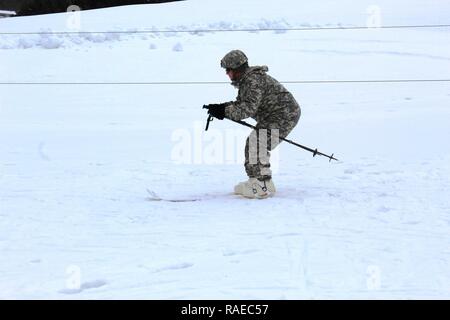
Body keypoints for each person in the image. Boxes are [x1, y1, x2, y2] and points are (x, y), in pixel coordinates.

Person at [206, 50, 301, 199]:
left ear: (236, 68)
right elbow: (242, 104)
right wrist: (221, 107)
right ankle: (265, 181)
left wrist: (223, 112)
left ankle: (257, 185)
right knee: (258, 142)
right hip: (280, 114)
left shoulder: (252, 81)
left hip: (284, 115)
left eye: (228, 70)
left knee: (256, 143)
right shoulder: (248, 80)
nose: (227, 74)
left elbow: (247, 109)